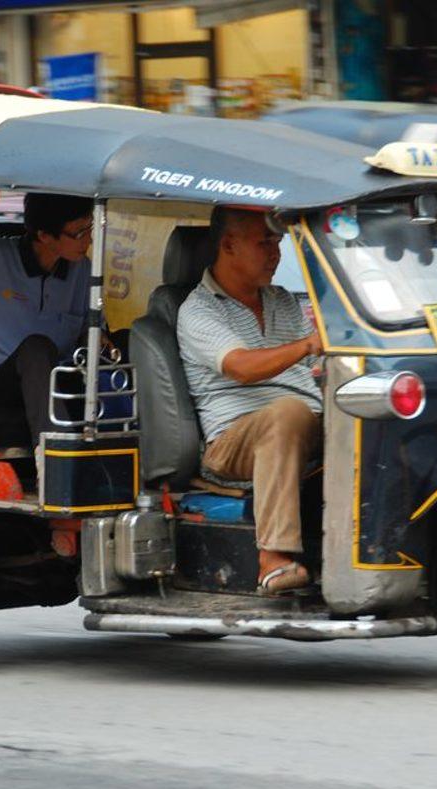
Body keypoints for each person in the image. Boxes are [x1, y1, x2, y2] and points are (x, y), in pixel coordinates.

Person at [176, 207, 323, 595]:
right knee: (288, 413)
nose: (275, 253)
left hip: (303, 422)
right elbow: (240, 366)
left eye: (277, 242)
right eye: (264, 243)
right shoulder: (198, 310)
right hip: (233, 442)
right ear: (228, 245)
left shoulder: (283, 301)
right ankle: (272, 558)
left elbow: (320, 358)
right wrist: (307, 345)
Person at [0, 193, 94, 446]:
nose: (88, 239)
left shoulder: (83, 270)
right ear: (44, 235)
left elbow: (88, 328)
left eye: (90, 227)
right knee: (37, 347)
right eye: (78, 233)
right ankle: (59, 459)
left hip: (58, 384)